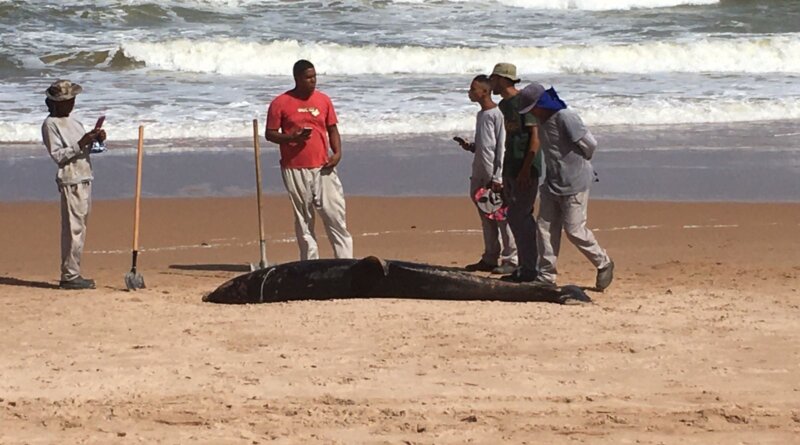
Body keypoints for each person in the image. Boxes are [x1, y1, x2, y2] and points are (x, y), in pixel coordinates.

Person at [517, 83, 614, 290]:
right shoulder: (541, 121)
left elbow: (590, 144)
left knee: (574, 230)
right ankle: (546, 276)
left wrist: (578, 164)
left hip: (575, 182)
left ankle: (603, 262)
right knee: (545, 229)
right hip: (552, 182)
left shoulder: (565, 117)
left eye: (532, 108)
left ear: (541, 104)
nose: (531, 113)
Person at [265, 59, 353, 260]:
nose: (313, 81)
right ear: (297, 79)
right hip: (295, 168)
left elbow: (332, 128)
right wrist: (291, 137)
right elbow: (270, 134)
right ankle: (310, 262)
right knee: (304, 219)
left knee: (335, 215)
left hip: (324, 166)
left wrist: (337, 153)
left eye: (314, 76)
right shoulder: (280, 103)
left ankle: (346, 261)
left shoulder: (323, 100)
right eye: (308, 77)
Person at [41, 79, 106, 290]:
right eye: (69, 100)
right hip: (70, 179)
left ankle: (73, 272)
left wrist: (98, 140)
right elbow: (59, 155)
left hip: (85, 176)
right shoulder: (50, 125)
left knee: (80, 228)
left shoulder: (74, 121)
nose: (72, 104)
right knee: (72, 229)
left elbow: (88, 150)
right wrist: (81, 143)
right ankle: (69, 276)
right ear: (57, 103)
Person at [455, 75, 517, 275]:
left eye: (473, 89)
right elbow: (486, 145)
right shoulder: (481, 115)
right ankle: (490, 256)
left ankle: (511, 258)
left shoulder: (496, 114)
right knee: (485, 216)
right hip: (479, 171)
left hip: (492, 175)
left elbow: (501, 147)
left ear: (484, 91)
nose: (470, 92)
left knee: (501, 217)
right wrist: (471, 146)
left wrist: (498, 176)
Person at [488, 63, 542, 282]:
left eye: (493, 78)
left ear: (502, 79)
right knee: (515, 217)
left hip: (525, 168)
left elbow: (535, 138)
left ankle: (530, 268)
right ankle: (524, 265)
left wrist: (526, 169)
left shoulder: (524, 102)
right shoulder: (503, 105)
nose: (491, 82)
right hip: (511, 166)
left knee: (521, 216)